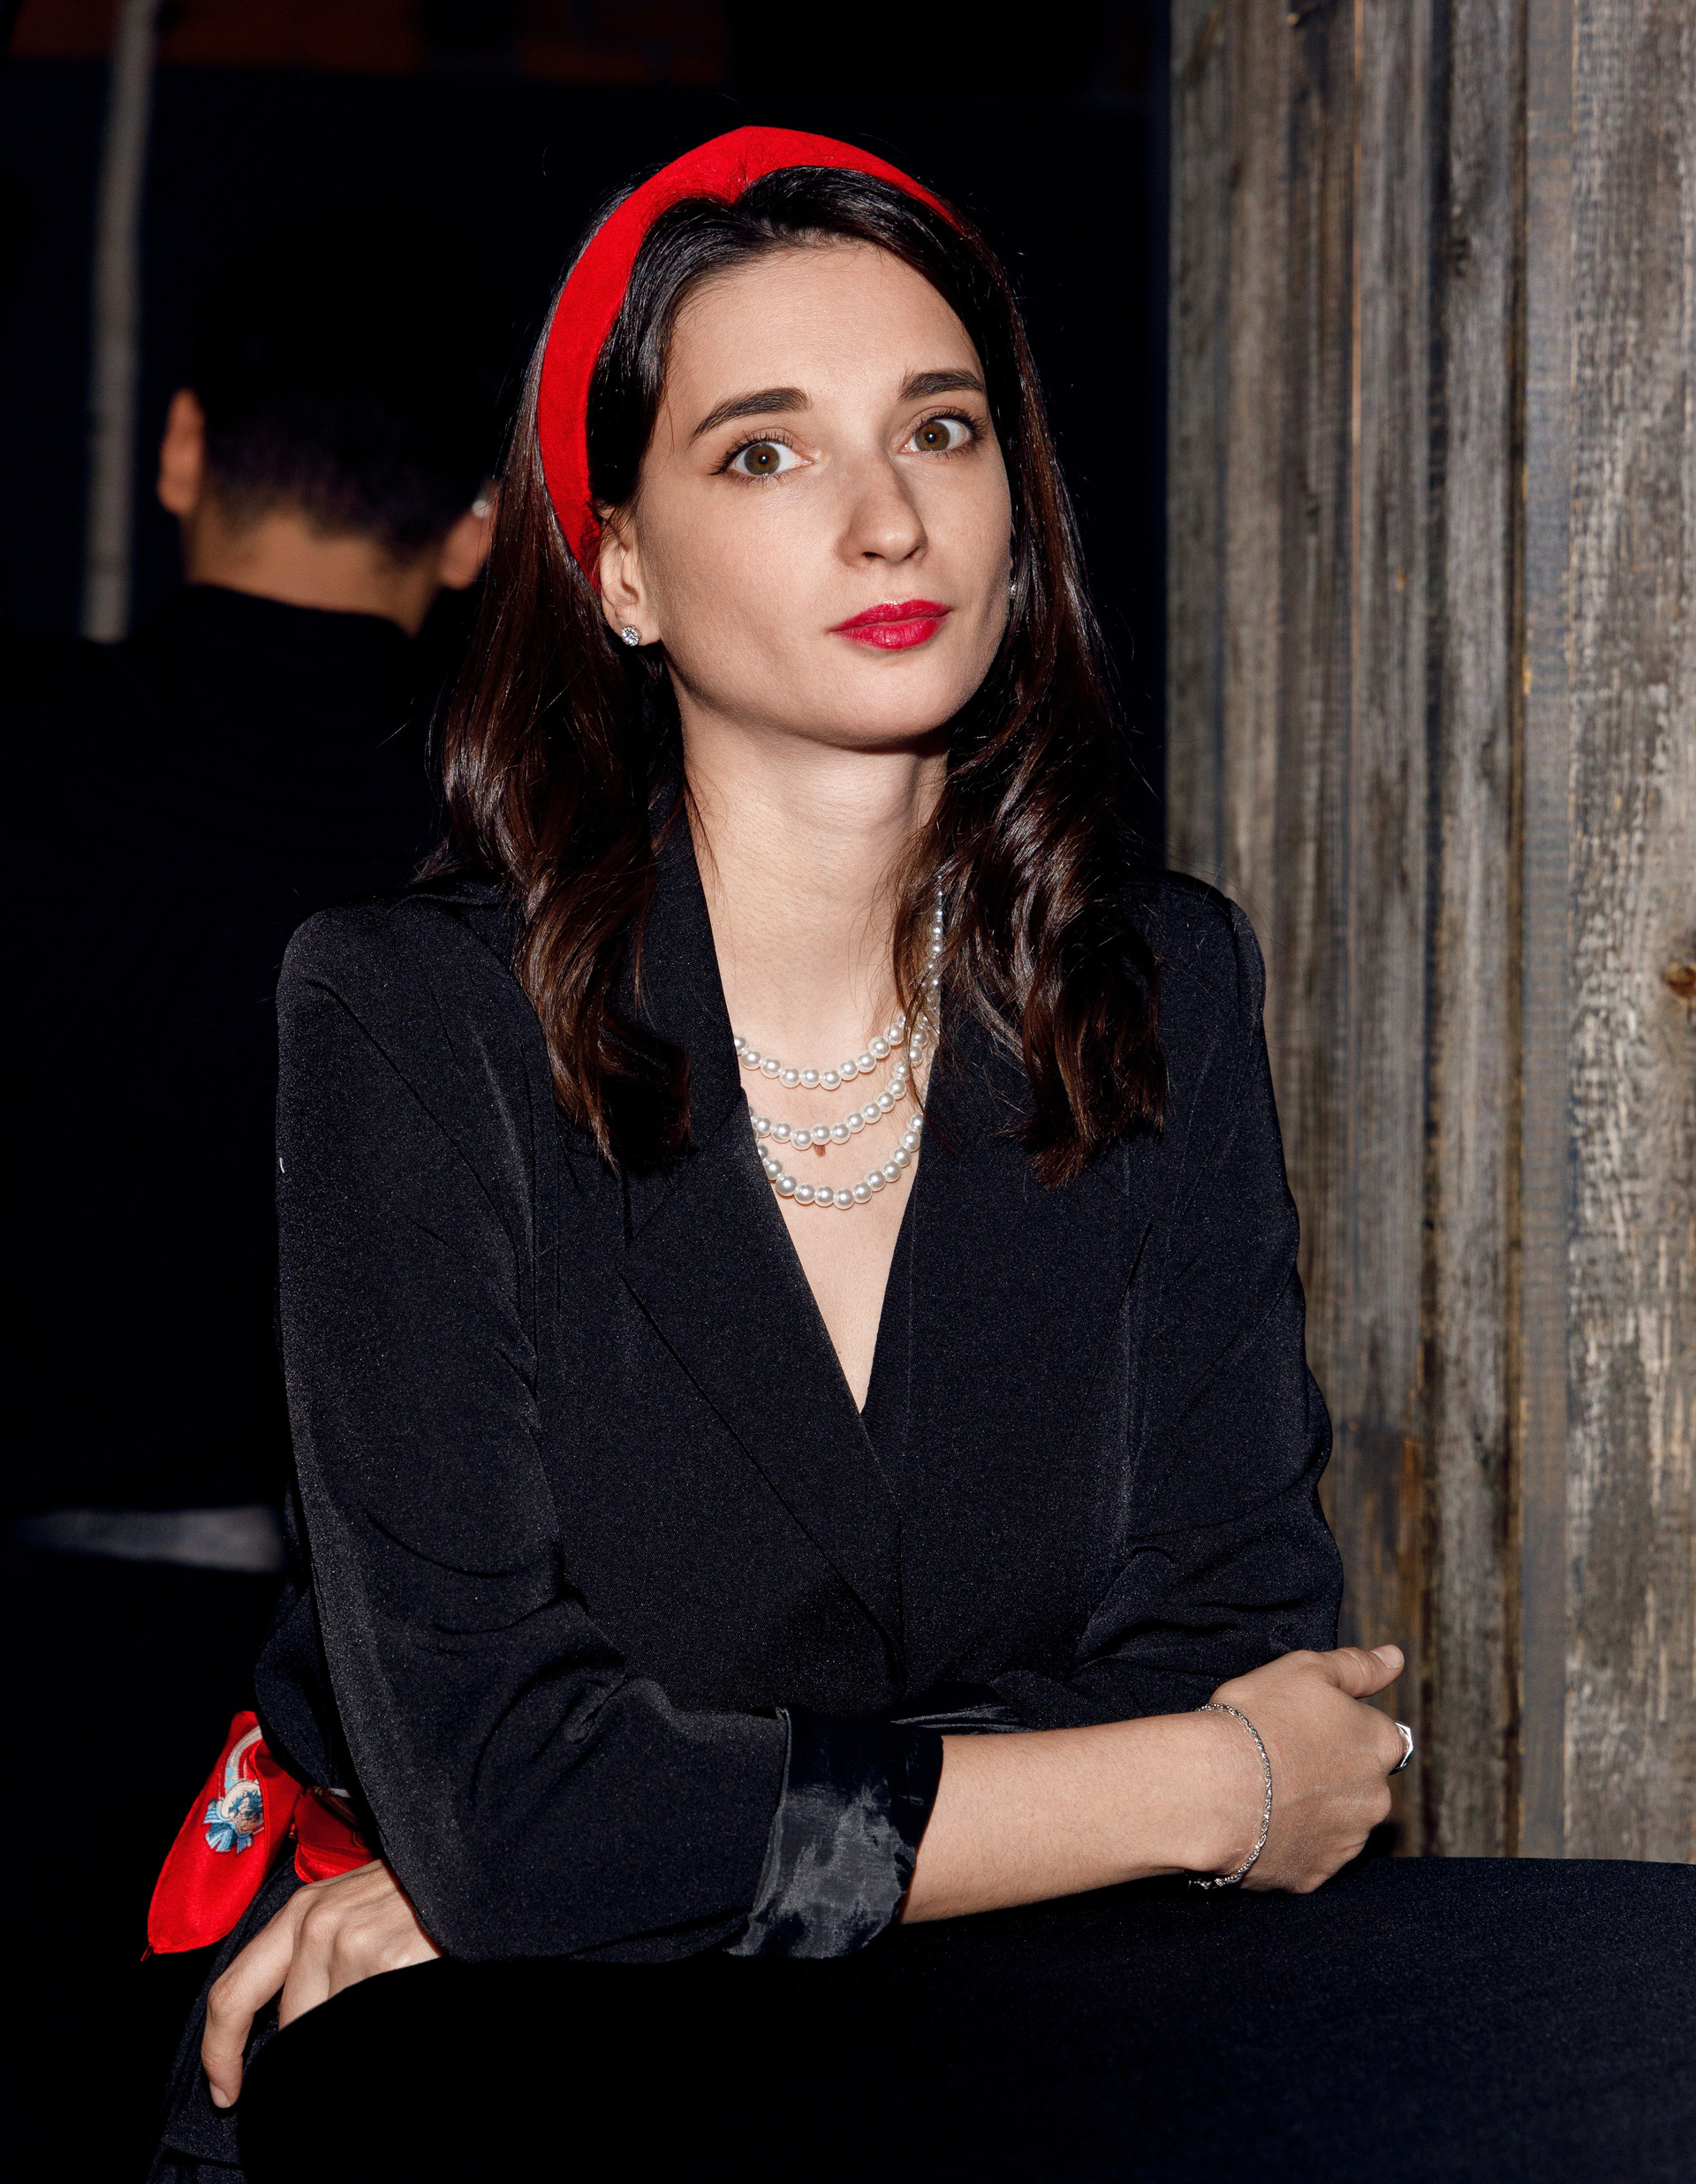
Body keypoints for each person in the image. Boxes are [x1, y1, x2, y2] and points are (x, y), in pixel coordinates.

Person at [148, 132, 1692, 2184]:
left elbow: (1231, 1641)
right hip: (532, 2072)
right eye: (765, 452)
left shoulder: (1155, 980)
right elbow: (515, 1799)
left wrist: (650, 1857)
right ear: (617, 567)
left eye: (940, 429)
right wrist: (1198, 1787)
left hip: (1009, 2014)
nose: (887, 516)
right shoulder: (415, 1019)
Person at [3, 207, 504, 2180]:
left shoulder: (21, 758)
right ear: (476, 529)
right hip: (366, 1740)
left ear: (185, 447)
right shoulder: (526, 852)